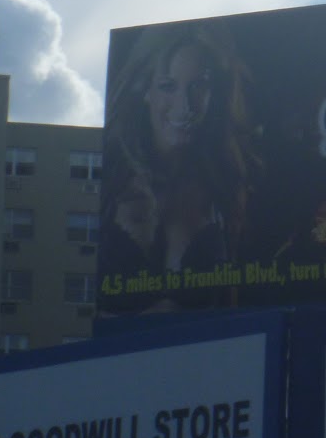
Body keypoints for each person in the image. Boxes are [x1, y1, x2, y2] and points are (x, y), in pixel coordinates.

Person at [99, 22, 261, 309]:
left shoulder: (228, 184)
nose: (185, 107)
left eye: (198, 86)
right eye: (168, 86)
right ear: (144, 90)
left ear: (214, 92)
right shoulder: (110, 176)